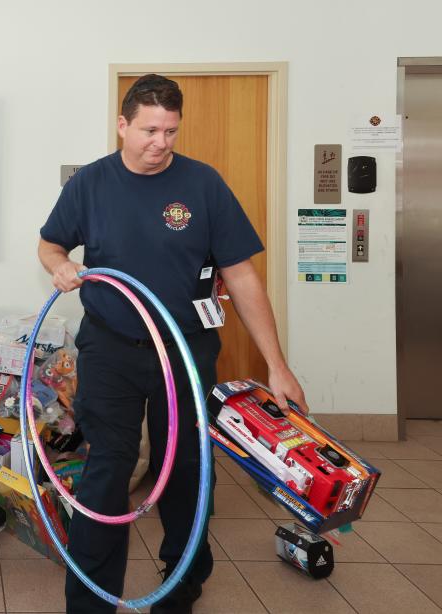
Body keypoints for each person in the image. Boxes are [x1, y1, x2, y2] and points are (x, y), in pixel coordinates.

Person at [38, 74, 307, 614]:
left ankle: (180, 584)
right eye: (149, 130)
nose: (160, 142)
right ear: (122, 124)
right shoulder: (90, 184)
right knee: (107, 469)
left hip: (184, 349)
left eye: (170, 131)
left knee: (185, 467)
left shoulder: (204, 185)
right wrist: (62, 264)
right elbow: (49, 244)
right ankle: (90, 598)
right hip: (111, 348)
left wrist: (278, 366)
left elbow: (245, 278)